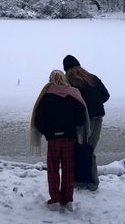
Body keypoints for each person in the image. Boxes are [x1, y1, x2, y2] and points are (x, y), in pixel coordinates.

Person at [30, 69, 87, 212]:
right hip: (69, 138)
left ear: (51, 79)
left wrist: (48, 133)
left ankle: (55, 200)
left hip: (53, 139)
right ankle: (67, 201)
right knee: (68, 170)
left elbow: (38, 119)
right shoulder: (73, 94)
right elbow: (81, 118)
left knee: (53, 169)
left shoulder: (46, 96)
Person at [63, 55, 110, 191]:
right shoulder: (93, 78)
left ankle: (78, 181)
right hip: (98, 118)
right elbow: (106, 95)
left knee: (78, 149)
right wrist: (95, 104)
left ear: (66, 69)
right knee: (90, 150)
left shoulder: (70, 82)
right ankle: (93, 182)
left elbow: (69, 103)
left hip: (83, 121)